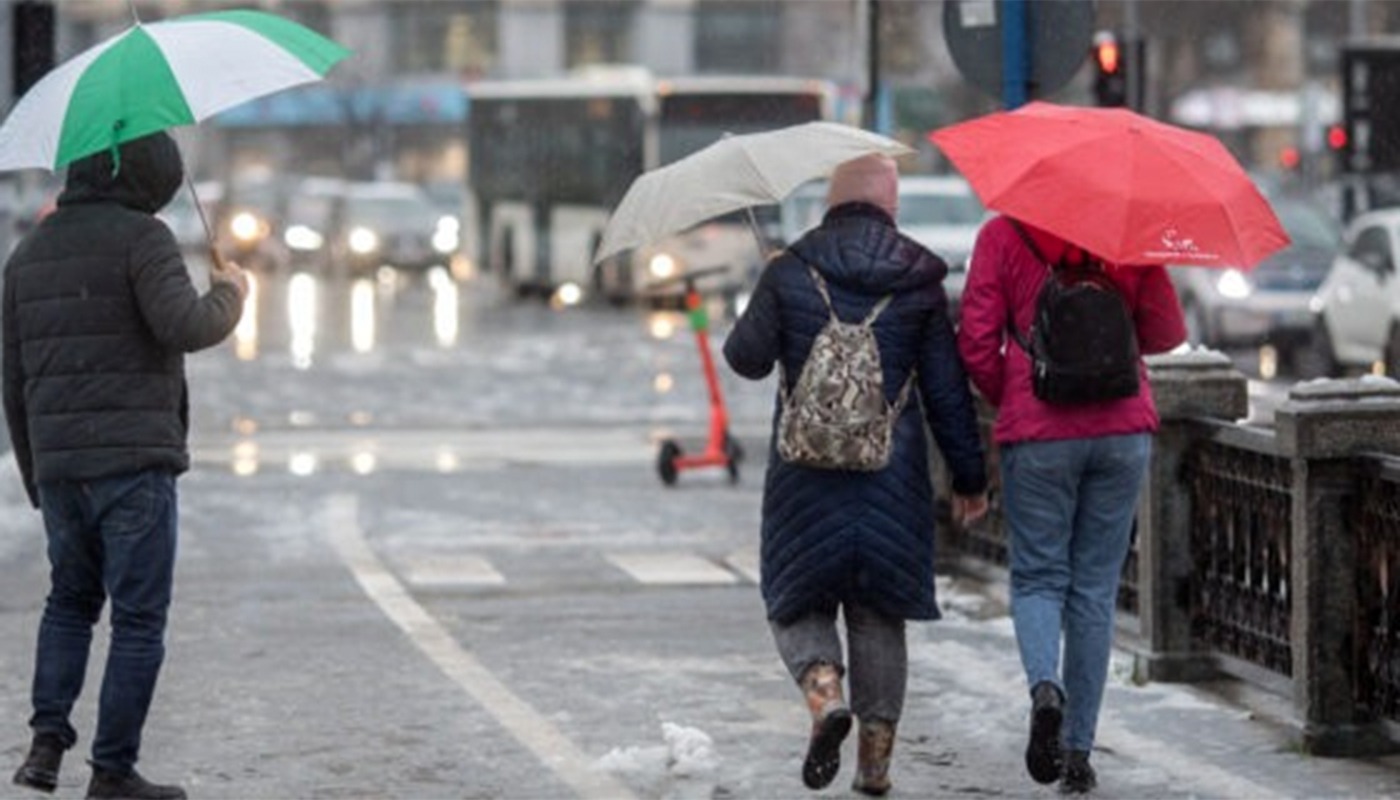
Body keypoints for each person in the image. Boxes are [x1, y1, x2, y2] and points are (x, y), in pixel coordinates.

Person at [724, 153, 989, 796]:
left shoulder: (790, 269)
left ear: (829, 203)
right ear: (891, 208)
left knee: (794, 600)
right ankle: (874, 767)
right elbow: (948, 391)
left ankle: (824, 696)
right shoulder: (919, 282)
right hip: (889, 481)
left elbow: (745, 360)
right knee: (879, 614)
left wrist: (771, 291)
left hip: (802, 479)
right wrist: (969, 477)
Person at [4, 131, 249, 800]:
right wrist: (231, 293)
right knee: (138, 620)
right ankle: (113, 771)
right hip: (133, 464)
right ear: (148, 179)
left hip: (60, 469)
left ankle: (46, 745)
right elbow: (187, 326)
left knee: (69, 603)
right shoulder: (144, 239)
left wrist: (38, 473)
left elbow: (13, 376)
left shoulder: (28, 251)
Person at [956, 215, 1186, 794]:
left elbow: (977, 344)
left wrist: (1013, 394)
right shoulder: (1124, 230)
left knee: (1037, 578)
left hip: (1038, 433)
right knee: (1093, 590)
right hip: (1121, 429)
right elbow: (1164, 331)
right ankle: (1079, 751)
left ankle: (1044, 690)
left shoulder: (1002, 237)